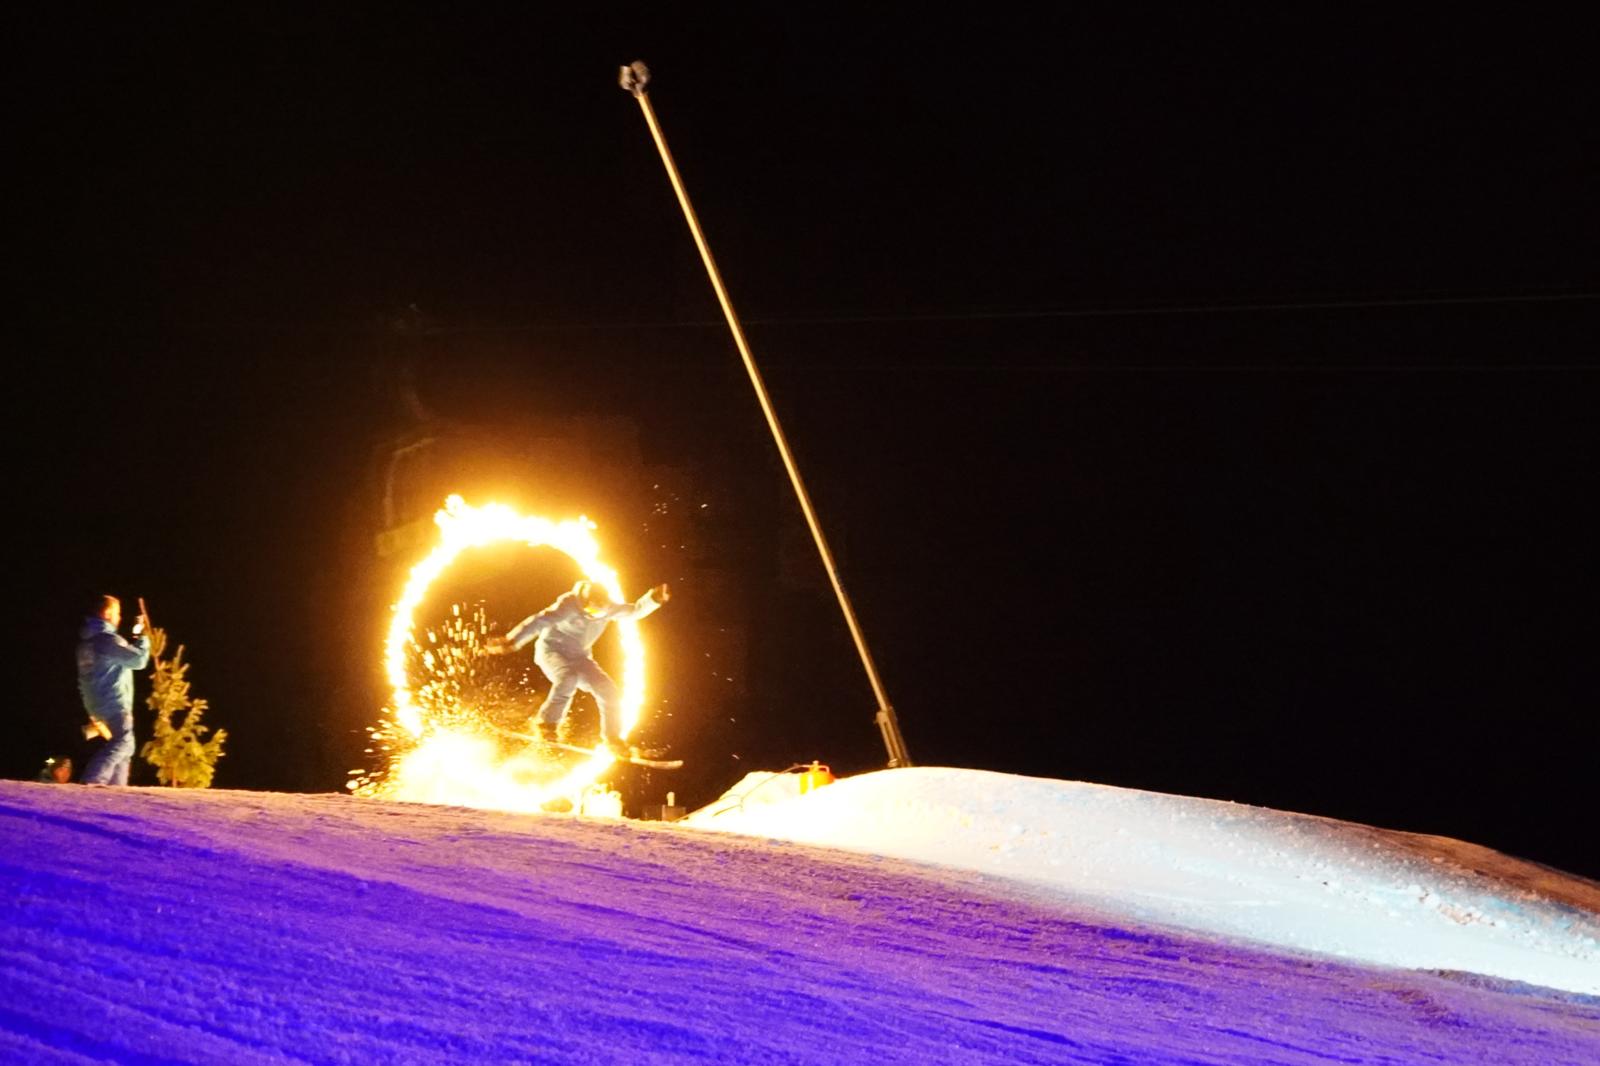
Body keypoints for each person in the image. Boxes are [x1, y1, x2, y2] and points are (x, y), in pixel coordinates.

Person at [487, 579, 670, 757]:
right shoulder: (569, 604)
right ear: (584, 603)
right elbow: (539, 621)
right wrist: (513, 640)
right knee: (568, 678)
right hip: (552, 651)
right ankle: (546, 723)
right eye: (591, 610)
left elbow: (634, 611)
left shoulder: (608, 609)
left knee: (608, 691)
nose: (594, 615)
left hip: (580, 657)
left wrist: (654, 598)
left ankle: (612, 739)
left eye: (600, 613)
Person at [78, 595, 151, 786]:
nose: (119, 618)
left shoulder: (88, 643)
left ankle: (116, 792)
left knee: (124, 749)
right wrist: (143, 639)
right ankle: (92, 781)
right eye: (117, 613)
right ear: (107, 613)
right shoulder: (106, 640)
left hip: (97, 705)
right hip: (113, 702)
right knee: (124, 742)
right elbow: (138, 660)